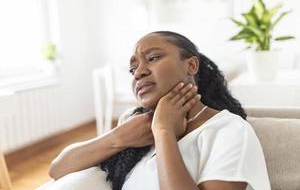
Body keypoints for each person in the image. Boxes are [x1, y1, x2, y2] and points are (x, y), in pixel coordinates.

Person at [47, 31, 270, 190]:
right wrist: (118, 137)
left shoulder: (229, 129)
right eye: (132, 69)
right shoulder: (137, 128)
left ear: (191, 65)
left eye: (153, 58)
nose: (138, 73)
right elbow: (58, 169)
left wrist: (164, 132)